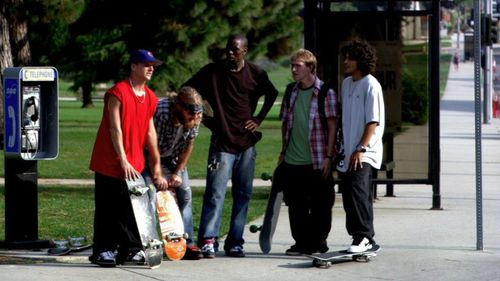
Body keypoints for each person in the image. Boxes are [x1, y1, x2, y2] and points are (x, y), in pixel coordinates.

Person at [183, 34, 278, 258]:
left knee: (243, 194)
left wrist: (259, 119)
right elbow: (187, 90)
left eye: (235, 49)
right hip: (222, 143)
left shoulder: (256, 73)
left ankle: (235, 242)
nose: (230, 53)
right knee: (215, 194)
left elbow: (272, 93)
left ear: (245, 51)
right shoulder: (212, 72)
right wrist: (203, 119)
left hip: (246, 144)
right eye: (228, 48)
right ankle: (208, 240)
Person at [89, 49, 168, 267]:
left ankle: (130, 250)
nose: (151, 68)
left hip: (135, 163)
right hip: (110, 161)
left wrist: (157, 167)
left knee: (132, 208)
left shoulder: (151, 97)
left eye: (153, 65)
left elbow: (151, 133)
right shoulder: (118, 92)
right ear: (133, 66)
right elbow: (115, 128)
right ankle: (103, 250)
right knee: (108, 208)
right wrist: (122, 159)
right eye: (146, 64)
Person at [279, 49, 337, 255]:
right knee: (296, 206)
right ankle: (301, 243)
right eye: (292, 65)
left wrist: (329, 156)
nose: (294, 69)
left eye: (298, 65)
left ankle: (319, 242)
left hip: (318, 159)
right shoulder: (290, 91)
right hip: (293, 159)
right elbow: (286, 123)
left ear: (311, 67)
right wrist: (283, 153)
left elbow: (332, 127)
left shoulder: (325, 92)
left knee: (321, 205)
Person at [338, 39, 385, 253]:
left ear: (361, 61)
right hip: (348, 151)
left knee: (358, 192)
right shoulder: (346, 83)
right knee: (349, 195)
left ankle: (364, 237)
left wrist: (361, 148)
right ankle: (360, 238)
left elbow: (372, 122)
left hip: (365, 151)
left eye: (351, 58)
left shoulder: (371, 84)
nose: (346, 61)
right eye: (345, 57)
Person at [151, 86, 204, 260]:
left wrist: (178, 172)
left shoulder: (195, 115)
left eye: (198, 113)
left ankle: (186, 243)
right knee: (152, 196)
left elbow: (189, 145)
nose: (195, 117)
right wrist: (158, 174)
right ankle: (148, 243)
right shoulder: (163, 112)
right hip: (152, 157)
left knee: (185, 195)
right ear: (179, 107)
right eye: (191, 113)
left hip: (174, 157)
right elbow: (153, 146)